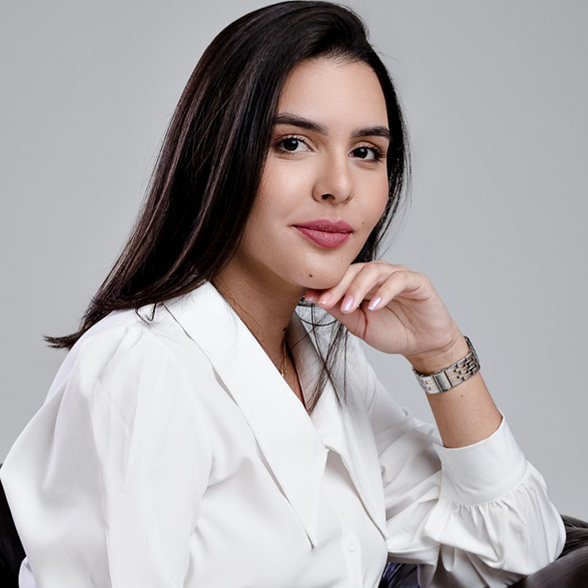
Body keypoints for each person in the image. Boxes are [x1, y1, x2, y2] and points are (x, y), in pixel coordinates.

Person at [0, 2, 566, 587]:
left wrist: (441, 355)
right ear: (217, 156)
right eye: (293, 143)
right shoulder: (145, 367)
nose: (338, 186)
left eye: (366, 152)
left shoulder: (327, 365)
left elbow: (516, 555)